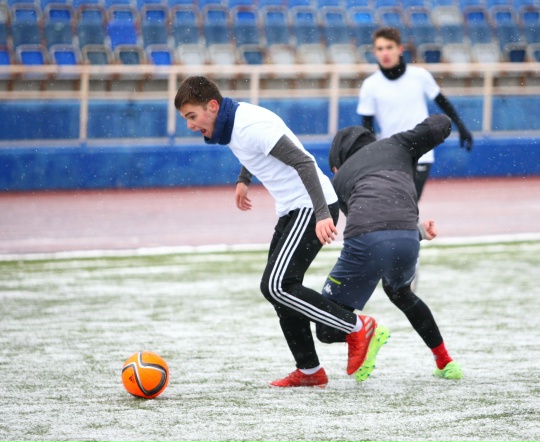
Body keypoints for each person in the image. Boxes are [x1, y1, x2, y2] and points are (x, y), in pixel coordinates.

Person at [174, 76, 389, 388]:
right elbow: (255, 152)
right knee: (283, 291)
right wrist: (244, 179)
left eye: (192, 116)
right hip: (293, 208)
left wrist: (320, 214)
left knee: (276, 286)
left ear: (212, 106)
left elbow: (304, 162)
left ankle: (357, 327)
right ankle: (310, 370)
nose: (190, 125)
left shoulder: (250, 125)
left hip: (311, 206)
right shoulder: (232, 124)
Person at [317, 114, 463, 381]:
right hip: (407, 238)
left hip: (366, 241)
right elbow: (439, 124)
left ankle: (365, 330)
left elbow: (373, 226)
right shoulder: (397, 144)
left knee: (326, 327)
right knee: (401, 294)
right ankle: (445, 362)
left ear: (339, 160)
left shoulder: (338, 180)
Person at [357, 27, 474, 200]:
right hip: (390, 154)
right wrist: (371, 154)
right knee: (392, 204)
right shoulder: (370, 85)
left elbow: (443, 102)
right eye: (380, 49)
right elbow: (367, 125)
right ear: (375, 53)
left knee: (409, 202)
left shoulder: (420, 76)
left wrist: (462, 128)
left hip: (421, 151)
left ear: (400, 49)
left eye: (389, 47)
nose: (385, 53)